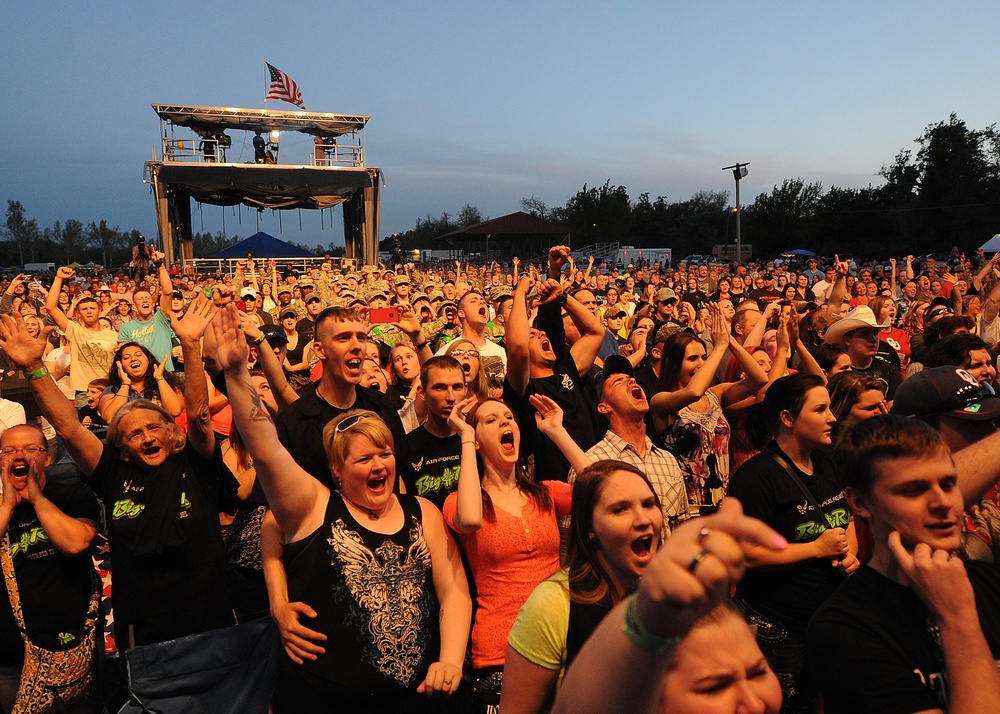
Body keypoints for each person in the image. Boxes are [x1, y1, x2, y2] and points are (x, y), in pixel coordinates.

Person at [214, 305, 471, 712]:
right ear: (335, 469)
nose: (379, 463)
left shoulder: (383, 416)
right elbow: (266, 466)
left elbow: (454, 591)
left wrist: (451, 660)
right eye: (343, 338)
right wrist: (235, 374)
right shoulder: (305, 456)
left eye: (384, 453)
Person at [0, 301, 239, 650]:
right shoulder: (113, 472)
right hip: (145, 630)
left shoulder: (194, 462)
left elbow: (200, 416)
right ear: (122, 447)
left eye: (154, 427)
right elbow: (68, 428)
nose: (146, 437)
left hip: (210, 620)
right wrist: (35, 368)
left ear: (172, 434)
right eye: (133, 433)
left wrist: (190, 345)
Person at [809, 416, 1000, 713]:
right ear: (859, 502)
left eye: (949, 484)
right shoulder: (842, 627)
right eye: (913, 490)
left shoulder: (990, 583)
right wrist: (958, 619)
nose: (943, 502)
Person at [550, 497, 787, 714]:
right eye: (715, 687)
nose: (755, 705)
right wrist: (647, 615)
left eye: (758, 673)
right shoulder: (555, 599)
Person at [728, 373, 858, 712]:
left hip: (824, 619)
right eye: (820, 410)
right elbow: (746, 554)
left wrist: (850, 553)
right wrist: (816, 548)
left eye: (830, 408)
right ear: (787, 418)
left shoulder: (827, 460)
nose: (832, 417)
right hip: (777, 628)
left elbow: (847, 517)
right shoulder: (755, 477)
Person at [501, 460, 663, 713]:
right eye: (620, 509)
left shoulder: (662, 598)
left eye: (649, 504)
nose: (643, 519)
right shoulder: (552, 604)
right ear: (589, 527)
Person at [443, 397, 572, 712]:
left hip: (561, 639)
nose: (505, 422)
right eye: (491, 420)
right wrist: (466, 438)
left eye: (509, 417)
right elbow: (471, 519)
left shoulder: (544, 493)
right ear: (476, 440)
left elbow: (606, 490)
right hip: (501, 651)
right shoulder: (458, 501)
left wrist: (557, 432)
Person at [0, 424, 101, 713]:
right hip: (11, 656)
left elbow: (75, 543)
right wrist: (8, 506)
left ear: (47, 458)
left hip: (75, 646)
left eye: (31, 449)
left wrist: (37, 499)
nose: (19, 456)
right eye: (9, 451)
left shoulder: (72, 495)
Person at [273, 306, 411, 487]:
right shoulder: (293, 423)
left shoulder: (381, 406)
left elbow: (401, 477)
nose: (356, 346)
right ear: (320, 350)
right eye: (344, 338)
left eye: (361, 338)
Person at [650, 304, 768, 512]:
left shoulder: (716, 394)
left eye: (704, 357)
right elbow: (693, 392)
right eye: (693, 358)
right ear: (674, 364)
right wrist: (719, 348)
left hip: (723, 500)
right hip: (686, 507)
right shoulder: (661, 401)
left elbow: (759, 378)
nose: (701, 364)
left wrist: (729, 340)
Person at [98, 342, 183, 425]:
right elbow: (110, 419)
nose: (133, 359)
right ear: (120, 365)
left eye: (138, 355)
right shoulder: (112, 390)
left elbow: (175, 410)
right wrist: (125, 384)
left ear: (149, 360)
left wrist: (160, 379)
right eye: (126, 357)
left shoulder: (167, 384)